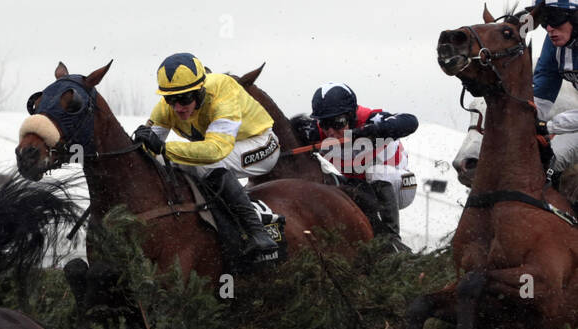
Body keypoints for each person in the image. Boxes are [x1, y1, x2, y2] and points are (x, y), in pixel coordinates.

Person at [131, 53, 279, 260]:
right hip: (220, 150)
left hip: (261, 145)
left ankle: (258, 233)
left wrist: (163, 148)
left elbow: (216, 150)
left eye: (184, 99)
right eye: (170, 99)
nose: (178, 108)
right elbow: (148, 152)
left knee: (204, 163)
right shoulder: (167, 108)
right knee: (167, 164)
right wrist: (139, 143)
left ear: (200, 91)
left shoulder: (222, 91)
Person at [299, 82, 417, 251]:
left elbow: (410, 121)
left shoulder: (369, 118)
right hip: (360, 189)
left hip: (400, 185)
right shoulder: (316, 132)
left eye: (338, 122)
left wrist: (372, 131)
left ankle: (393, 240)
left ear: (352, 115)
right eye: (325, 124)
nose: (331, 132)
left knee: (375, 172)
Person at [529, 0, 578, 200]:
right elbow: (540, 97)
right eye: (543, 20)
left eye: (555, 18)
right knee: (543, 159)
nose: (548, 28)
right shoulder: (553, 44)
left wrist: (549, 126)